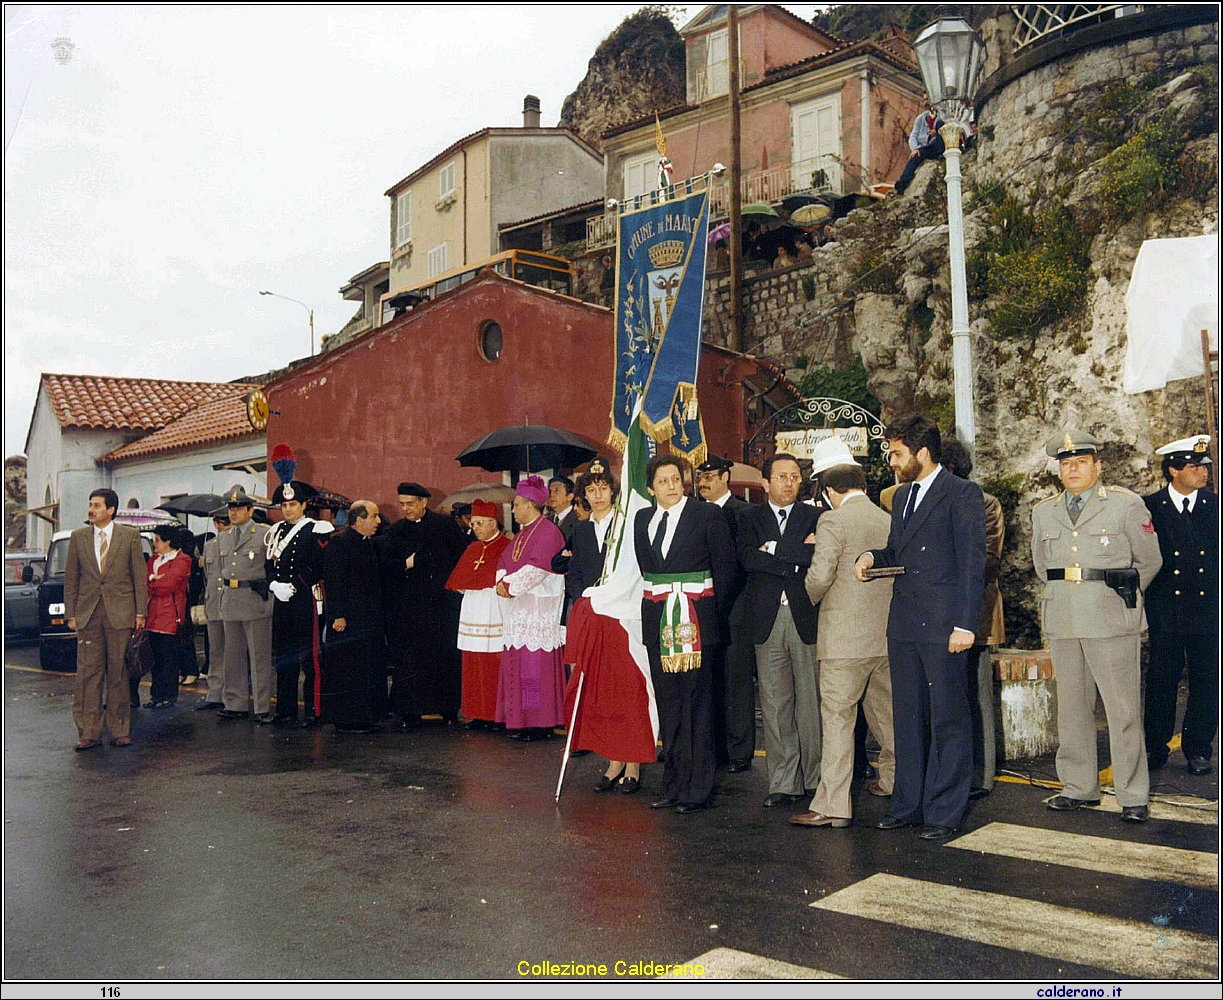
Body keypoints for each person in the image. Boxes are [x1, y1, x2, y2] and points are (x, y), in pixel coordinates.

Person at [854, 415, 986, 840]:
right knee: (907, 717)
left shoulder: (962, 494)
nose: (892, 461)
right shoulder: (903, 496)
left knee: (949, 718)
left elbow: (972, 563)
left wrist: (965, 624)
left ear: (922, 453)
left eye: (897, 453)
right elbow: (897, 549)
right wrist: (873, 557)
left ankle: (945, 811)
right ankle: (908, 804)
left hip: (945, 624)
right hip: (906, 623)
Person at [1032, 429, 1162, 823]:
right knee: (1071, 709)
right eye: (1066, 464)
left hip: (1110, 619)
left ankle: (1133, 793)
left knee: (1122, 710)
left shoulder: (1125, 505)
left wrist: (1119, 599)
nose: (1073, 469)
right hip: (1064, 618)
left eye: (1081, 462)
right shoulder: (1044, 510)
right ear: (1059, 470)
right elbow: (1043, 567)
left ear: (1097, 466)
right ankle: (1078, 786)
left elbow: (1149, 562)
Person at [793, 454, 895, 828]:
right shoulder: (886, 519)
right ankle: (893, 781)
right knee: (887, 716)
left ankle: (833, 805)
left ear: (830, 492)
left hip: (843, 639)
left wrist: (811, 595)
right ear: (865, 488)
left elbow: (820, 576)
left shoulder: (832, 519)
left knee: (837, 719)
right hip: (884, 635)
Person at [635, 455, 736, 813]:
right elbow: (647, 573)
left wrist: (708, 617)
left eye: (676, 478)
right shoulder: (642, 519)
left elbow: (726, 572)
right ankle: (674, 785)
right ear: (651, 488)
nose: (672, 485)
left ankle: (698, 789)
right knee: (670, 704)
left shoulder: (707, 515)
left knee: (698, 704)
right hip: (658, 624)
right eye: (663, 481)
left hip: (696, 622)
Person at [563, 460, 654, 792]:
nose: (597, 494)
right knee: (602, 694)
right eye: (590, 489)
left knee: (629, 689)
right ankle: (613, 761)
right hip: (595, 619)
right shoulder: (582, 529)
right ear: (584, 495)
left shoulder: (627, 526)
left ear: (614, 490)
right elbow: (575, 575)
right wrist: (585, 599)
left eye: (603, 488)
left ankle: (634, 763)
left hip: (625, 619)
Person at [739, 452, 823, 808]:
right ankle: (784, 782)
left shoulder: (816, 515)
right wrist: (795, 555)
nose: (789, 483)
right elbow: (748, 559)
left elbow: (818, 557)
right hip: (767, 620)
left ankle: (816, 778)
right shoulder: (749, 518)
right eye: (782, 477)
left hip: (806, 618)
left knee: (811, 704)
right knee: (775, 705)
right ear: (766, 483)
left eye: (794, 477)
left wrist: (773, 550)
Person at [1143, 435, 1217, 776]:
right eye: (1194, 466)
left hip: (1207, 610)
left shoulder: (1214, 506)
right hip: (1165, 611)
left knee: (1207, 681)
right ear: (1173, 469)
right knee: (1161, 681)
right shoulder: (1149, 507)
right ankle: (1155, 747)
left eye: (1205, 466)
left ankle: (1198, 749)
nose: (1203, 472)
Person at [940, 438, 1007, 798]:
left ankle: (981, 774)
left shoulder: (985, 504)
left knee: (976, 695)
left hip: (975, 615)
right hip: (941, 615)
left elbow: (985, 560)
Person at [64, 488, 147, 750]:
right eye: (90, 505)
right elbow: (71, 579)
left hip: (120, 613)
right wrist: (71, 613)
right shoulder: (78, 538)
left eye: (97, 505)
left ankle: (120, 729)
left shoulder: (130, 537)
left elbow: (138, 576)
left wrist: (140, 612)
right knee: (89, 674)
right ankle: (88, 732)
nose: (91, 510)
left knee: (119, 673)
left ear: (111, 510)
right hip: (88, 614)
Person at [380, 482, 468, 726]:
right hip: (410, 607)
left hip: (442, 605)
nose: (406, 509)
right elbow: (387, 566)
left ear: (423, 502)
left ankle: (448, 709)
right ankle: (409, 712)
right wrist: (406, 565)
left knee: (445, 656)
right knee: (411, 660)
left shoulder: (445, 526)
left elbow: (460, 559)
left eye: (410, 504)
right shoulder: (396, 531)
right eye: (402, 504)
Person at [495, 476, 568, 740]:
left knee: (533, 669)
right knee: (521, 665)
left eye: (516, 505)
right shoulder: (522, 533)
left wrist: (509, 586)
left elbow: (537, 569)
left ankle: (539, 722)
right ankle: (520, 720)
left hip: (538, 610)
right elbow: (504, 561)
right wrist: (501, 583)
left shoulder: (548, 532)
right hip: (519, 609)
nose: (513, 510)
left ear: (529, 504)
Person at [695, 454, 754, 772]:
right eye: (700, 477)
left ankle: (739, 751)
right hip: (703, 608)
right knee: (708, 680)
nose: (703, 482)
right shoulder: (695, 513)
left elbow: (741, 565)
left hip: (735, 609)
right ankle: (714, 748)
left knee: (737, 681)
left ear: (725, 477)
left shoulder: (743, 513)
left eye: (710, 476)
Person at [445, 499, 510, 731]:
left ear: (494, 523)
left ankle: (496, 715)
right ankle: (477, 713)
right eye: (474, 524)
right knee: (473, 663)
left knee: (494, 665)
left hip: (495, 610)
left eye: (481, 523)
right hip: (473, 610)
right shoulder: (472, 548)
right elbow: (460, 581)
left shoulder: (506, 547)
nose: (477, 529)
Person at [267, 480, 326, 727]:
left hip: (304, 598)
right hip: (282, 600)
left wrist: (295, 585)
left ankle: (314, 710)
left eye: (293, 504)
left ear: (303, 505)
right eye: (285, 505)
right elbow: (269, 563)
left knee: (309, 657)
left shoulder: (316, 529)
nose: (288, 509)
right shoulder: (276, 531)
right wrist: (273, 584)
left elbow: (318, 564)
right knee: (284, 655)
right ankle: (285, 709)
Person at [322, 500, 385, 734]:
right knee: (348, 669)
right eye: (374, 516)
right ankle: (348, 719)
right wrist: (337, 614)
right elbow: (334, 582)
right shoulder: (338, 544)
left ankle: (367, 715)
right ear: (359, 520)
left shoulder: (369, 544)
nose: (378, 521)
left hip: (367, 619)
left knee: (366, 667)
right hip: (346, 620)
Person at [216, 489, 274, 722]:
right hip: (231, 599)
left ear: (250, 510)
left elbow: (272, 568)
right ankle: (235, 703)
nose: (234, 512)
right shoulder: (223, 537)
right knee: (233, 656)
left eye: (239, 508)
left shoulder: (264, 534)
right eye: (231, 509)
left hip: (254, 599)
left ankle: (262, 707)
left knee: (259, 657)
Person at [135, 524, 191, 709]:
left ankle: (169, 695)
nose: (154, 543)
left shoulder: (182, 560)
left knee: (169, 657)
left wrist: (153, 581)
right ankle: (156, 694)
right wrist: (153, 580)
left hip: (170, 614)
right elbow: (144, 579)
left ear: (168, 541)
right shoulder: (153, 560)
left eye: (157, 540)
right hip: (153, 614)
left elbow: (168, 585)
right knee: (155, 658)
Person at [193, 507, 230, 711]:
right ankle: (215, 693)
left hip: (232, 602)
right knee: (215, 651)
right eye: (221, 523)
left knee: (233, 652)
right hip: (214, 602)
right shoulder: (209, 545)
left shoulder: (235, 542)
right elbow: (208, 575)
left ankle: (230, 695)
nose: (223, 526)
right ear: (215, 523)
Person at [893, 94, 945, 195]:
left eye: (927, 99)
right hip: (926, 148)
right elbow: (914, 135)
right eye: (924, 99)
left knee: (940, 126)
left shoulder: (942, 116)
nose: (925, 102)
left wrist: (937, 132)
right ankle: (902, 183)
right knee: (916, 155)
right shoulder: (921, 118)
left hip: (938, 145)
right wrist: (915, 148)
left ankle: (940, 156)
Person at [548, 476, 579, 550]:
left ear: (570, 496)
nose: (551, 495)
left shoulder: (578, 520)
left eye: (556, 491)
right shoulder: (546, 521)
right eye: (550, 491)